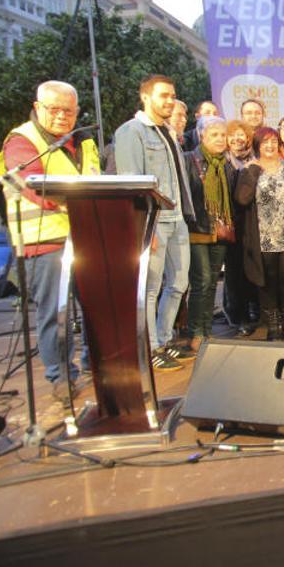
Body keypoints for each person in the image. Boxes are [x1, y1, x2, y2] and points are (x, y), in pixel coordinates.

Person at [0, 80, 99, 402]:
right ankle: (61, 376)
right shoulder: (22, 139)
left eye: (68, 111)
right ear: (38, 106)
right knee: (55, 312)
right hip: (44, 241)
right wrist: (73, 200)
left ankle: (95, 364)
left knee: (95, 307)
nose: (61, 116)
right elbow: (29, 182)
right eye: (54, 109)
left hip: (87, 238)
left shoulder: (84, 142)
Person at [113, 74, 195, 370]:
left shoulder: (168, 132)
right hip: (154, 221)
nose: (169, 101)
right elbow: (132, 184)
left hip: (177, 218)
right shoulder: (131, 132)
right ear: (145, 97)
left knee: (179, 282)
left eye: (172, 95)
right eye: (163, 95)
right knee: (150, 287)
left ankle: (164, 338)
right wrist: (143, 226)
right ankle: (150, 347)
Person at [236, 126, 284, 341]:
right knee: (268, 281)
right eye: (265, 143)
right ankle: (273, 322)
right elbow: (242, 199)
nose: (270, 146)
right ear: (257, 146)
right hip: (263, 238)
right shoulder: (249, 169)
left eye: (274, 141)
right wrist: (255, 171)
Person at [183, 116, 235, 352]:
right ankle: (195, 332)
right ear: (202, 136)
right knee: (201, 281)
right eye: (214, 135)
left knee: (212, 282)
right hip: (197, 230)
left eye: (223, 135)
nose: (220, 139)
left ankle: (206, 331)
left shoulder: (225, 164)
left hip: (220, 232)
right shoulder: (188, 160)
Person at [223, 120, 258, 335]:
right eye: (233, 135)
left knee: (251, 270)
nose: (238, 139)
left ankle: (254, 311)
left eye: (241, 135)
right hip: (230, 225)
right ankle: (239, 316)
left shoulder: (255, 163)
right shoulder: (223, 163)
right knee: (234, 273)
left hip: (252, 225)